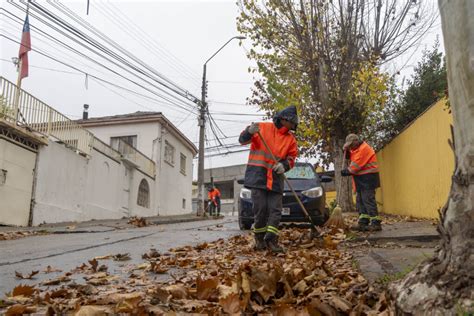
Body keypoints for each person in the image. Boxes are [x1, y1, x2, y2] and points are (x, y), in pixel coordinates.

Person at [239, 105, 298, 253]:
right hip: (258, 176)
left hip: (276, 178)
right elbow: (242, 140)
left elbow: (291, 159)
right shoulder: (262, 128)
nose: (293, 127)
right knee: (261, 210)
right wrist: (249, 132)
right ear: (285, 119)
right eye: (292, 123)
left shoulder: (291, 140)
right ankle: (259, 239)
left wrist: (284, 165)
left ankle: (271, 239)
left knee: (275, 210)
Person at [340, 134, 381, 231]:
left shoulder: (364, 149)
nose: (350, 147)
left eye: (351, 145)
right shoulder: (356, 149)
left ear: (356, 141)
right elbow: (351, 157)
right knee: (360, 201)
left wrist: (347, 171)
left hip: (368, 179)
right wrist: (346, 152)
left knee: (368, 200)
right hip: (361, 179)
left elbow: (355, 166)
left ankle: (376, 223)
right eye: (349, 146)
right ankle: (363, 221)